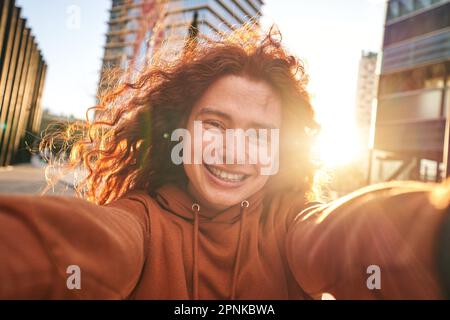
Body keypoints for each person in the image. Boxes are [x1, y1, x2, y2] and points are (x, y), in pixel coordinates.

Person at [0, 27, 449, 300]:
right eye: (214, 124)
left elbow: (349, 236)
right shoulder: (141, 221)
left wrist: (435, 233)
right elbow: (78, 245)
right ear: (180, 131)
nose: (234, 152)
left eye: (258, 135)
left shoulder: (291, 222)